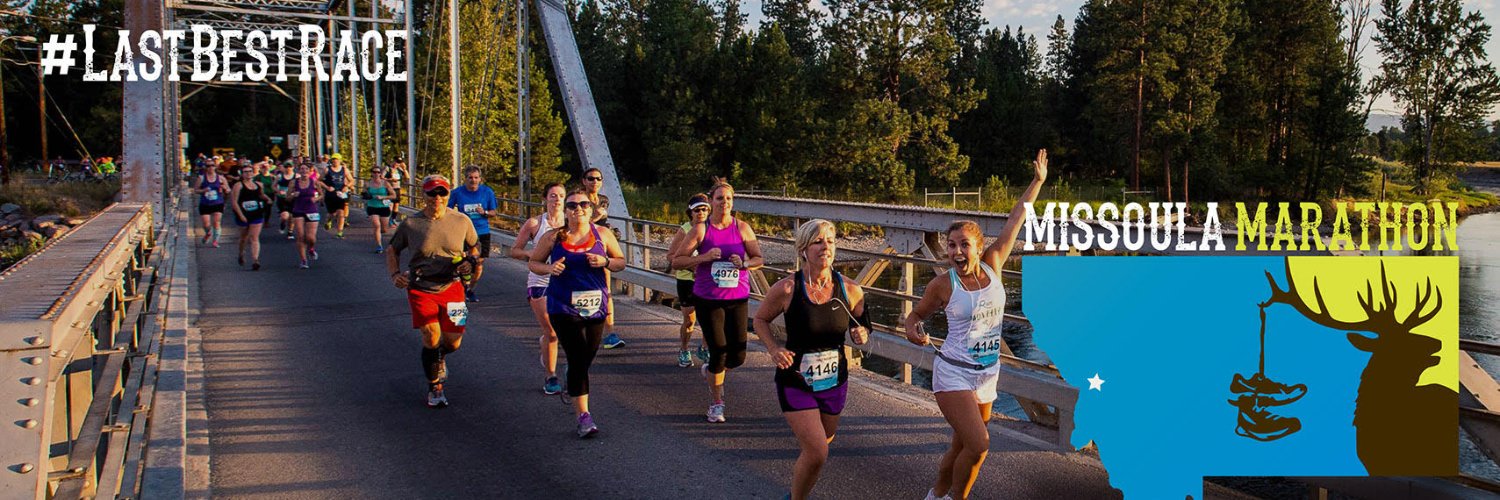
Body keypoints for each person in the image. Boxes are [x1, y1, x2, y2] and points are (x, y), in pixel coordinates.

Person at [902, 150, 1047, 500]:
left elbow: (1015, 219)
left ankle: (937, 494)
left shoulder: (994, 263)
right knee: (979, 443)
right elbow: (915, 315)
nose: (956, 252)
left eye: (964, 245)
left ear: (980, 248)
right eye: (951, 246)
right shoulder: (943, 284)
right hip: (953, 372)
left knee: (961, 446)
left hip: (987, 373)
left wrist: (1038, 181)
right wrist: (913, 329)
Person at [752, 219, 870, 500]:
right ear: (804, 249)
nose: (825, 247)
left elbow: (863, 321)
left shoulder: (851, 289)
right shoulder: (787, 289)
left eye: (829, 241)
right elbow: (759, 319)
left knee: (821, 445)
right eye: (818, 241)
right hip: (796, 380)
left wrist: (861, 332)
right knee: (818, 451)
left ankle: (798, 489)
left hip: (834, 381)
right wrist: (773, 349)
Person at [527, 188, 626, 437]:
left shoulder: (602, 234)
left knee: (586, 358)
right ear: (566, 210)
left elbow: (621, 262)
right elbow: (533, 263)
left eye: (583, 204)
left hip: (595, 306)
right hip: (562, 306)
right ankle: (584, 416)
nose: (578, 209)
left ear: (591, 209)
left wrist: (605, 262)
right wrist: (549, 268)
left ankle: (573, 377)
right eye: (572, 205)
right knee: (577, 357)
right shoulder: (552, 237)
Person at [671, 179, 764, 423]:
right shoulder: (701, 229)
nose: (724, 203)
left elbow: (758, 259)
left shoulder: (742, 227)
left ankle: (712, 371)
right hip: (708, 299)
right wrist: (702, 257)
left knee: (738, 357)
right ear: (711, 202)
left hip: (737, 298)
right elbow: (676, 261)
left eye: (729, 199)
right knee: (719, 351)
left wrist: (744, 263)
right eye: (720, 198)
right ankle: (716, 402)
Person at [388, 175, 480, 408]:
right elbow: (393, 249)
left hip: (454, 287)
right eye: (432, 193)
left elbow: (475, 246)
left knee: (454, 342)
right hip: (421, 287)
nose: (437, 198)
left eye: (442, 193)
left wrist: (470, 260)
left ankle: (439, 357)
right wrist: (395, 274)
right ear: (424, 195)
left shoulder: (461, 220)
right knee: (431, 335)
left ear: (448, 195)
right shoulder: (411, 224)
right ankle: (435, 387)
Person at [511, 182, 567, 395]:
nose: (557, 200)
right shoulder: (535, 223)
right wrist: (532, 256)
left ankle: (549, 347)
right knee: (552, 331)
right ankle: (550, 376)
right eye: (553, 195)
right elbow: (515, 250)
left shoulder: (571, 223)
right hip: (540, 280)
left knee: (565, 331)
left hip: (564, 280)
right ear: (545, 199)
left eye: (561, 196)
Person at [580, 167, 626, 349]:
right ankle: (577, 329)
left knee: (605, 290)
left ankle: (610, 333)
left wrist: (610, 231)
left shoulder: (603, 200)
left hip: (600, 246)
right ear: (584, 181)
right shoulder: (578, 200)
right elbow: (574, 225)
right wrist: (595, 218)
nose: (595, 182)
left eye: (598, 179)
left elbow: (602, 222)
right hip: (582, 246)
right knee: (581, 289)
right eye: (590, 178)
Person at [666, 193, 713, 367]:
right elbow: (670, 256)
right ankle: (684, 349)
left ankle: (705, 347)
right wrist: (691, 266)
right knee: (690, 319)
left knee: (709, 317)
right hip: (687, 279)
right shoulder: (685, 229)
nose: (701, 213)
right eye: (697, 210)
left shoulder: (712, 229)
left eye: (704, 209)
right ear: (690, 213)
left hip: (707, 279)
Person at [447, 166, 498, 302]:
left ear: (480, 179)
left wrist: (485, 213)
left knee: (478, 263)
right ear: (465, 179)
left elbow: (494, 212)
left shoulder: (487, 192)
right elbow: (447, 210)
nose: (473, 180)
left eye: (476, 177)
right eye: (470, 177)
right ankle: (461, 287)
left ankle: (469, 289)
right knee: (462, 261)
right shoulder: (457, 193)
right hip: (462, 232)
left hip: (482, 231)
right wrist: (456, 218)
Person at [227, 164, 272, 270]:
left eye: (250, 171)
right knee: (244, 238)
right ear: (242, 174)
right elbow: (234, 202)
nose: (248, 174)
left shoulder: (258, 184)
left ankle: (255, 260)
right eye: (245, 172)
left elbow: (261, 195)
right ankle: (241, 253)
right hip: (243, 213)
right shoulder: (238, 185)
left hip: (256, 213)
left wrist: (267, 199)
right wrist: (241, 215)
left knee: (254, 237)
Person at [287, 163, 324, 269]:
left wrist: (316, 199)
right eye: (301, 168)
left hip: (311, 210)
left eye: (306, 169)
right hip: (298, 210)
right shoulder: (294, 182)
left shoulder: (315, 182)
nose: (303, 170)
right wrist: (293, 195)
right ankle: (303, 260)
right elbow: (287, 197)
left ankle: (311, 249)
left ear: (309, 170)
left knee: (311, 237)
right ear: (298, 170)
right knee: (300, 235)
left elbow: (321, 194)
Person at [319, 154, 353, 238]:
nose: (335, 161)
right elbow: (319, 181)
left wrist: (347, 186)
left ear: (340, 160)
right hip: (330, 194)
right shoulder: (327, 170)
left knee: (341, 213)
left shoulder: (344, 169)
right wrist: (327, 187)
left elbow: (352, 180)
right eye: (333, 159)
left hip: (341, 194)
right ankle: (328, 220)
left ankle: (339, 233)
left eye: (337, 159)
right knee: (332, 213)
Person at [363, 166, 396, 253]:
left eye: (378, 172)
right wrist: (366, 195)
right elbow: (363, 194)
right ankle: (379, 246)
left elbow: (394, 195)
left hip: (384, 207)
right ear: (371, 173)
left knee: (384, 229)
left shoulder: (385, 183)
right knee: (376, 225)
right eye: (374, 172)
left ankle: (379, 233)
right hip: (372, 207)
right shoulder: (367, 184)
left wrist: (383, 197)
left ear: (380, 174)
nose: (376, 174)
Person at [195, 166, 228, 247]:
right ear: (206, 168)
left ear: (215, 167)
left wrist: (224, 188)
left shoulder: (221, 178)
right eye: (208, 166)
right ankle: (208, 233)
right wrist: (203, 190)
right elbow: (196, 190)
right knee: (206, 224)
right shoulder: (201, 178)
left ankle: (215, 241)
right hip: (205, 203)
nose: (210, 167)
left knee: (217, 223)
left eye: (212, 165)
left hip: (218, 203)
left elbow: (228, 190)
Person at [274, 162, 299, 239]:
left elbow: (300, 186)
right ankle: (283, 223)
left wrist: (295, 192)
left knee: (292, 216)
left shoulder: (297, 176)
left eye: (290, 166)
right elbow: (273, 186)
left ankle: (290, 232)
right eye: (286, 167)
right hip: (282, 198)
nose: (288, 168)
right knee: (285, 216)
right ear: (284, 168)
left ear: (293, 167)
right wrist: (278, 191)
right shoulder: (279, 176)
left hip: (292, 198)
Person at [385, 160, 409, 227]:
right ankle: (388, 220)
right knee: (390, 206)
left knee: (396, 206)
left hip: (397, 189)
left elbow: (407, 177)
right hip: (389, 189)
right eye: (396, 162)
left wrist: (404, 169)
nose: (397, 164)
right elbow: (381, 177)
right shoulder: (387, 168)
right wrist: (390, 179)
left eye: (399, 162)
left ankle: (393, 219)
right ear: (393, 161)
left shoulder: (399, 170)